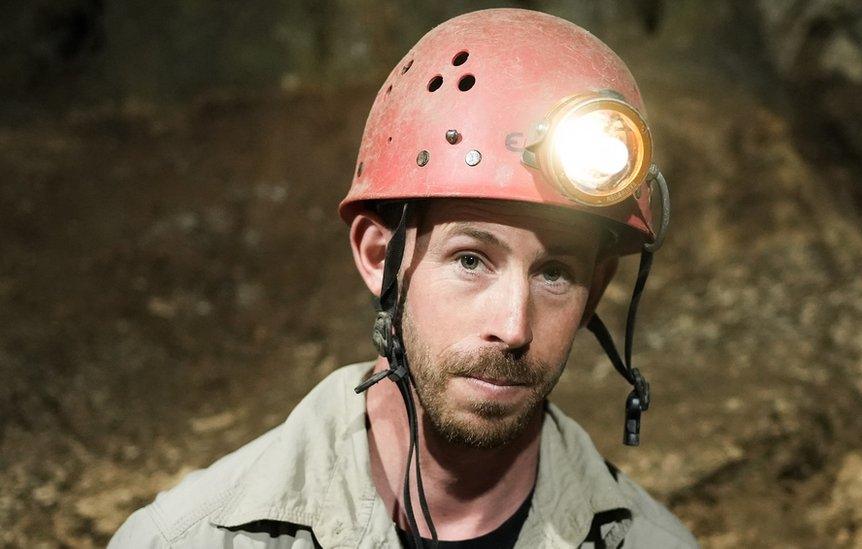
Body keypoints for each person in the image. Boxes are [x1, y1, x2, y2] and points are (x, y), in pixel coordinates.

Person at [110, 8, 697, 548]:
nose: (513, 327)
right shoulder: (189, 539)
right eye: (471, 260)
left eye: (555, 274)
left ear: (594, 291)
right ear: (377, 255)